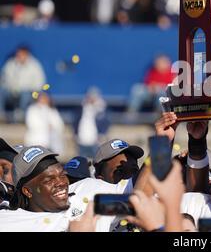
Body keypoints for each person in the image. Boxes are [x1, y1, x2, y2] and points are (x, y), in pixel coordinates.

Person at [1, 146, 134, 231]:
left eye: (62, 174)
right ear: (27, 191)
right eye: (49, 180)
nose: (61, 183)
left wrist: (155, 151)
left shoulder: (89, 195)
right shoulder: (8, 222)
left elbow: (137, 200)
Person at [0, 45, 46, 122]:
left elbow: (40, 83)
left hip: (31, 94)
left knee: (25, 94)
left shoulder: (35, 65)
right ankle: (1, 115)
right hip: (12, 93)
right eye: (18, 54)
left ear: (26, 54)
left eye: (22, 54)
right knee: (1, 91)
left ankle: (21, 116)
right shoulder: (10, 64)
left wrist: (30, 90)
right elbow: (3, 80)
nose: (19, 56)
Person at [73, 87, 110, 159]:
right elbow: (76, 122)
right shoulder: (82, 108)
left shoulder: (101, 109)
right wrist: (75, 133)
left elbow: (105, 123)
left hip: (95, 141)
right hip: (82, 139)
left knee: (96, 160)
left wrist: (102, 134)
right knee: (82, 160)